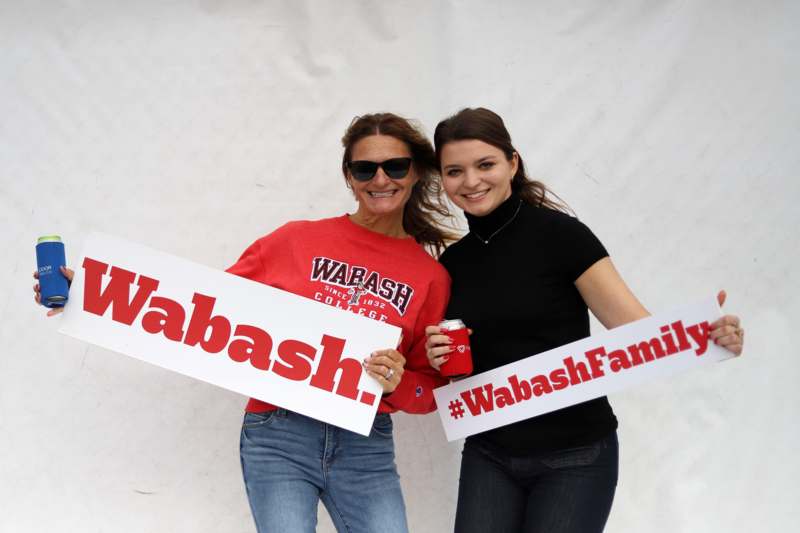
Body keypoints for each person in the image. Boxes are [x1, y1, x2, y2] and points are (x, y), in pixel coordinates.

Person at [34, 112, 454, 533]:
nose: (381, 179)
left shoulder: (430, 276)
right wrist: (88, 294)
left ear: (415, 171)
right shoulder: (296, 240)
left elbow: (428, 388)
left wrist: (399, 383)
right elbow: (200, 306)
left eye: (395, 166)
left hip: (366, 447)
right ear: (349, 176)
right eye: (365, 168)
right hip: (279, 434)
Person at [424, 107, 745, 533]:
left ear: (512, 163)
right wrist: (437, 355)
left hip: (575, 455)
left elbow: (633, 328)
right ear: (442, 179)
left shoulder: (562, 236)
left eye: (485, 165)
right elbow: (464, 363)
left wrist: (706, 335)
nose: (471, 181)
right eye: (454, 171)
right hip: (489, 452)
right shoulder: (455, 262)